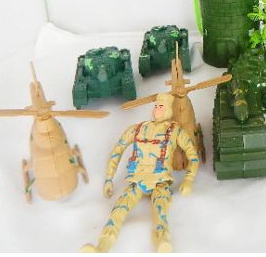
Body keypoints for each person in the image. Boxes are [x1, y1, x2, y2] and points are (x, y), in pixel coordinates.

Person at [81, 93, 199, 253]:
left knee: (160, 212)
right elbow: (117, 150)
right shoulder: (137, 129)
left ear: (169, 110)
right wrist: (109, 178)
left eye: (161, 106)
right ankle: (102, 246)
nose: (157, 109)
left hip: (160, 182)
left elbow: (193, 155)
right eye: (156, 106)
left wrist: (189, 179)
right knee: (118, 209)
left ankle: (162, 241)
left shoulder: (175, 131)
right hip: (137, 181)